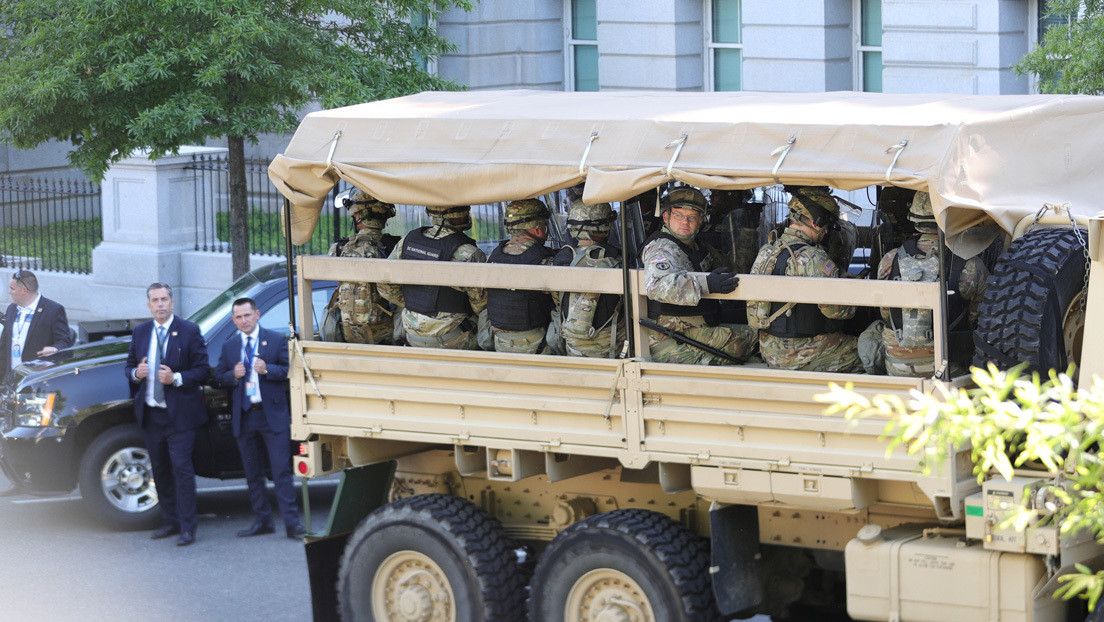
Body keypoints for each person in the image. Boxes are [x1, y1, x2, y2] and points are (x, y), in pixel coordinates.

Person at [123, 283, 209, 546]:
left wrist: (177, 378)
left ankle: (187, 528)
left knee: (182, 469)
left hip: (179, 417)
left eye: (164, 299)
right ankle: (170, 522)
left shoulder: (189, 331)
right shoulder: (140, 332)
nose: (160, 304)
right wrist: (137, 374)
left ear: (172, 303)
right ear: (148, 305)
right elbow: (128, 367)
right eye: (154, 300)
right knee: (159, 471)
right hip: (151, 416)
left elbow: (203, 370)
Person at [213, 298, 306, 539]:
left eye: (247, 315)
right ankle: (263, 521)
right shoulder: (230, 346)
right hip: (245, 417)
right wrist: (232, 375)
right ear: (234, 320)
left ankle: (292, 524)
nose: (244, 321)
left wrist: (267, 370)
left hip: (271, 416)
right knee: (252, 473)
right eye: (239, 317)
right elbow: (218, 377)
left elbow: (289, 371)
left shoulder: (275, 340)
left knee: (281, 471)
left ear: (257, 314)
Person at [747, 186, 863, 373]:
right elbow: (838, 312)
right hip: (803, 352)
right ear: (816, 222)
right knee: (873, 348)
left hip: (769, 349)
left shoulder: (767, 249)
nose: (826, 232)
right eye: (827, 226)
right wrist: (852, 290)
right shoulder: (813, 257)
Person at [876, 191, 989, 377]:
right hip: (947, 368)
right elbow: (975, 319)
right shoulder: (971, 265)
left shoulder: (890, 259)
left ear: (914, 217)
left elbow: (885, 312)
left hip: (897, 366)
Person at [641, 186, 758, 365]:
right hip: (671, 340)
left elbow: (735, 269)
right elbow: (657, 286)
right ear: (666, 217)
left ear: (701, 221)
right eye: (678, 215)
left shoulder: (696, 247)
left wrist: (748, 232)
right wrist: (706, 284)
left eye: (692, 217)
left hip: (695, 328)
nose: (685, 222)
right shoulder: (662, 248)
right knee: (757, 337)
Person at [378, 205, 491, 350]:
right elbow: (480, 305)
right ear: (458, 215)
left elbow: (385, 287)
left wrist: (414, 302)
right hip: (454, 339)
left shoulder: (407, 241)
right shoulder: (470, 253)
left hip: (412, 337)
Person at [325, 189, 400, 344]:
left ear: (358, 215)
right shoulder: (396, 246)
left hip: (349, 333)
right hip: (387, 335)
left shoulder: (338, 247)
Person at [554, 199, 624, 358]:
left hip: (571, 343)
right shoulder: (615, 259)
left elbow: (556, 300)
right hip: (609, 346)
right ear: (605, 226)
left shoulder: (561, 258)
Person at [487, 198, 557, 354]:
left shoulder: (494, 255)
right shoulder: (543, 259)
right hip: (535, 342)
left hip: (498, 340)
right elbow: (560, 304)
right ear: (538, 228)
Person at [1, 269, 71, 381]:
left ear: (24, 290)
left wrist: (55, 348)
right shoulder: (12, 309)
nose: (10, 292)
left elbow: (65, 342)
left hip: (37, 380)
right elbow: (4, 347)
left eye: (12, 289)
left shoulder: (53, 310)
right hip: (12, 380)